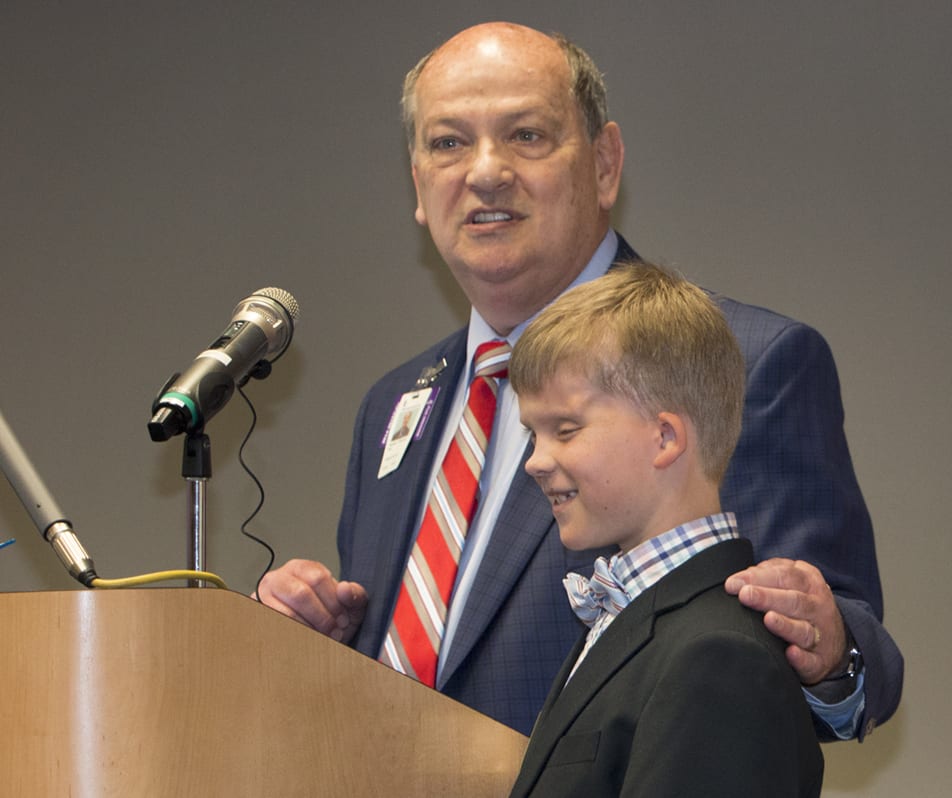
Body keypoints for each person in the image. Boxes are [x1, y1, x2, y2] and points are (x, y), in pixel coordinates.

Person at [257, 21, 902, 740]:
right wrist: (329, 640)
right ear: (418, 185)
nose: (485, 171)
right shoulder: (394, 403)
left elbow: (849, 659)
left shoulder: (743, 362)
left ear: (604, 163)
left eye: (526, 135)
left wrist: (829, 650)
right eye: (448, 143)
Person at [507, 261, 823, 797]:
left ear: (666, 438)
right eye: (532, 435)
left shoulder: (721, 658)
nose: (535, 461)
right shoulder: (632, 623)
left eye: (565, 429)